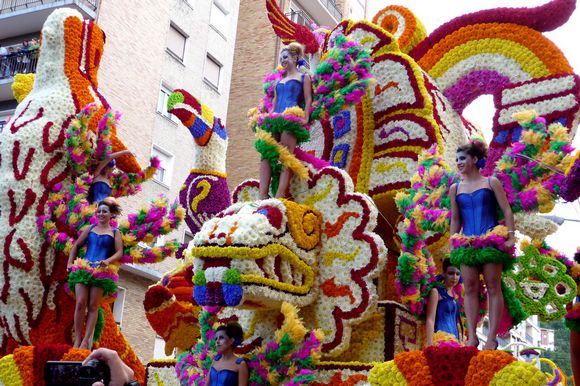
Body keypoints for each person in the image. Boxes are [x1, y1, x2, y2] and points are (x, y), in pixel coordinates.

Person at [449, 140, 515, 350]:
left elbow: (506, 210)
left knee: (493, 287)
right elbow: (456, 219)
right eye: (457, 159)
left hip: (491, 240)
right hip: (466, 243)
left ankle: (492, 338)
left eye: (463, 158)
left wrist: (511, 236)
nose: (459, 162)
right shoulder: (455, 188)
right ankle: (471, 337)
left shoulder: (491, 182)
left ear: (475, 159)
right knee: (468, 287)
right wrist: (453, 240)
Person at [67, 198, 123, 349]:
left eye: (104, 211)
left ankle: (86, 340)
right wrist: (70, 263)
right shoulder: (90, 228)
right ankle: (77, 338)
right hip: (83, 268)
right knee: (80, 303)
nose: (101, 213)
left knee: (93, 306)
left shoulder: (115, 232)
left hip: (101, 271)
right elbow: (76, 245)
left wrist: (108, 261)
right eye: (99, 211)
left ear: (111, 214)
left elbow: (119, 252)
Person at [259, 42, 312, 199]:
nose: (282, 60)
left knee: (285, 155)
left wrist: (306, 117)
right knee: (266, 154)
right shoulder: (278, 82)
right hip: (275, 118)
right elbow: (274, 103)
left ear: (295, 58)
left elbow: (308, 100)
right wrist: (267, 115)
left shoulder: (304, 77)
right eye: (281, 58)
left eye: (285, 57)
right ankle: (262, 193)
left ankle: (280, 193)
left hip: (291, 117)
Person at [424, 258, 462, 347]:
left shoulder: (455, 297)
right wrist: (430, 343)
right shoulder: (436, 292)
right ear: (444, 273)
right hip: (440, 341)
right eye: (451, 273)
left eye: (458, 274)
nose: (455, 277)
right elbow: (430, 319)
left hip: (455, 342)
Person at [206, 322, 248, 386]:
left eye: (221, 338)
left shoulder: (240, 364)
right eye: (216, 338)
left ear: (231, 340)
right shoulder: (215, 360)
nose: (217, 341)